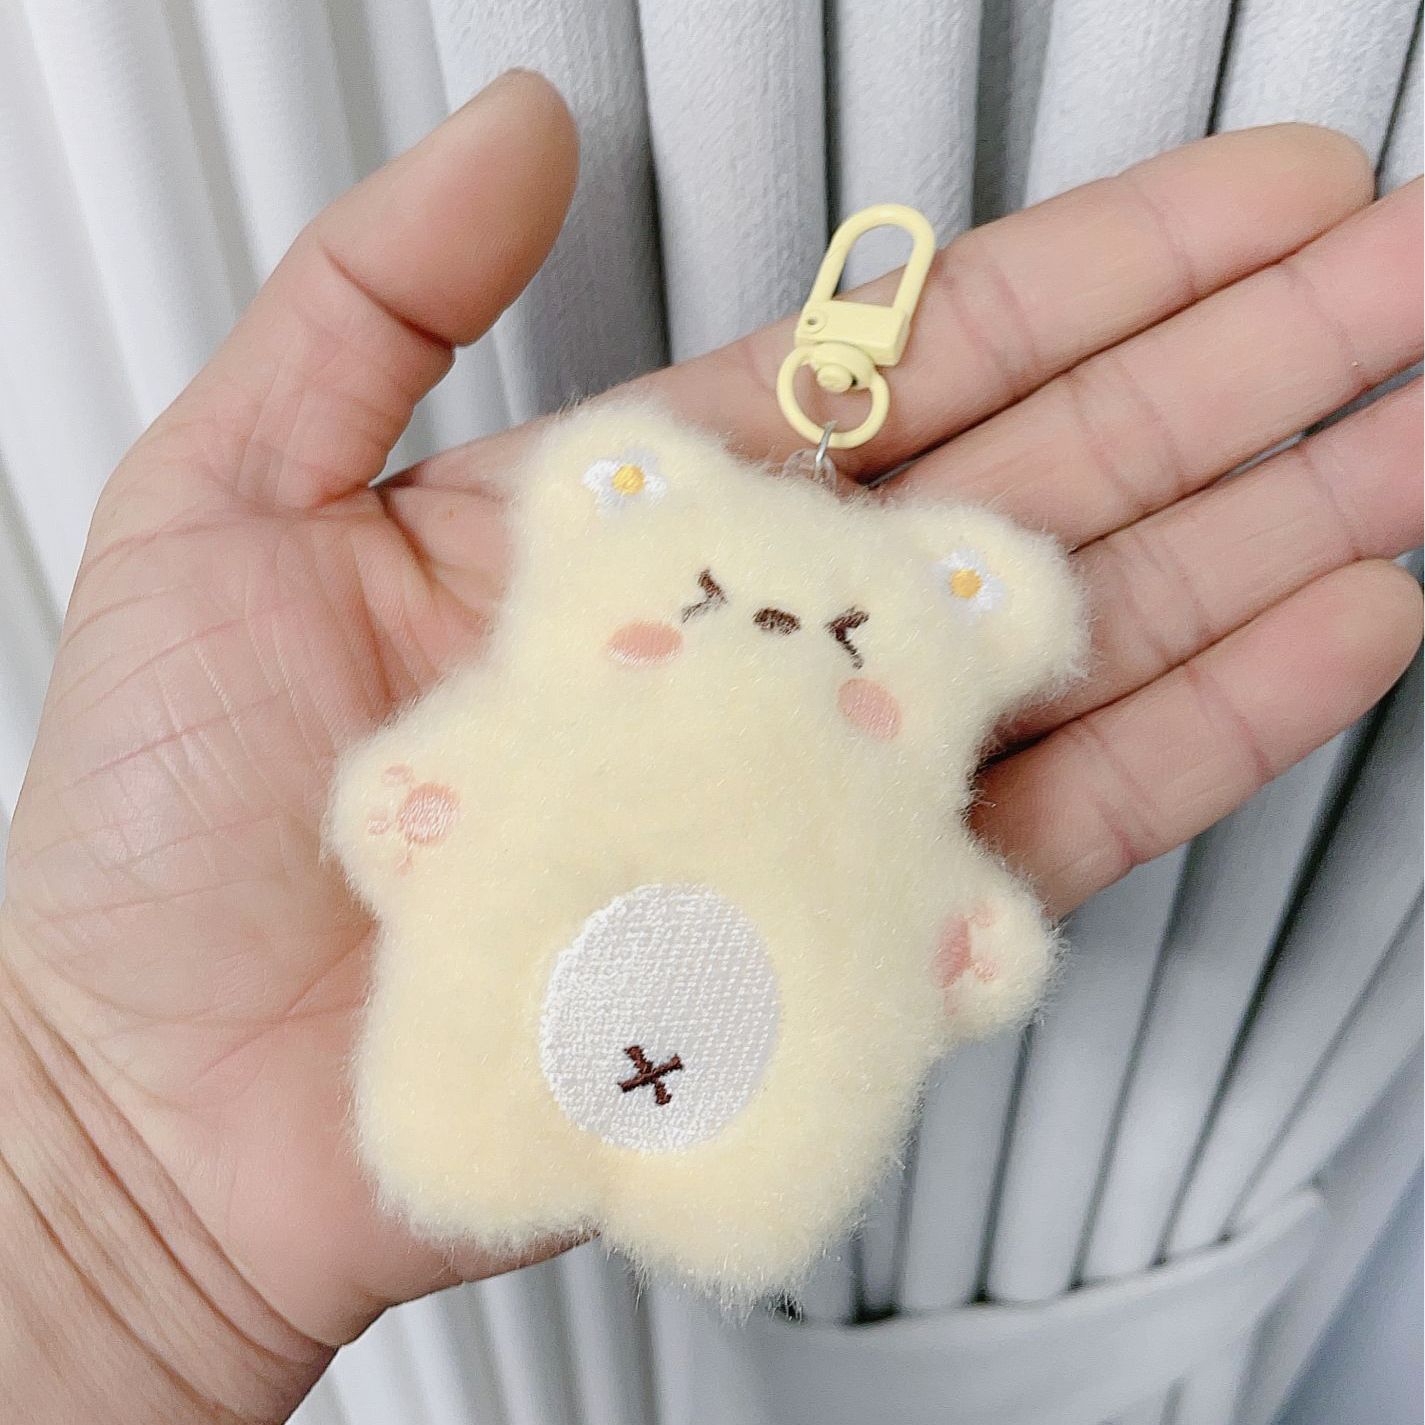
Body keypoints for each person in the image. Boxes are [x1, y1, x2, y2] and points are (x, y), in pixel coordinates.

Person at [0, 70, 1418, 1424]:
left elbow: (949, 932)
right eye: (707, 604)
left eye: (844, 641)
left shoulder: (866, 769)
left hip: (751, 1102)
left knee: (736, 1172)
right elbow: (430, 793)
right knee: (465, 1117)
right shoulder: (550, 705)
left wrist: (951, 941)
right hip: (471, 1055)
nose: (777, 634)